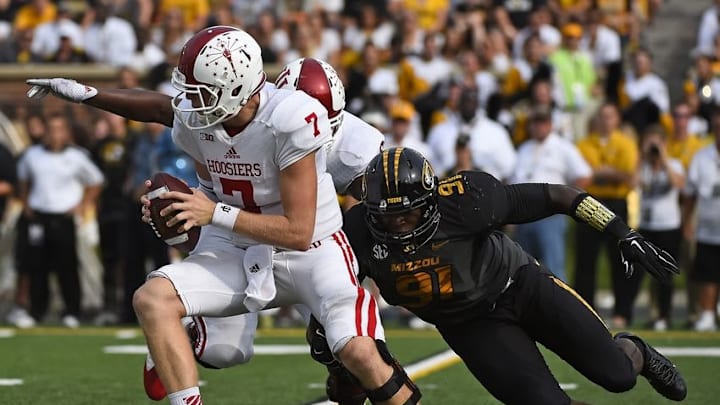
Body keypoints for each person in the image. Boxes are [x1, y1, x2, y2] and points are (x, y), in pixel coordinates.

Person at [26, 27, 418, 405]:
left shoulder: (291, 121)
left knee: (361, 356)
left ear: (234, 89)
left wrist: (211, 211)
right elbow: (162, 107)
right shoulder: (203, 117)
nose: (191, 103)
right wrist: (87, 95)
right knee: (163, 307)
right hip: (236, 245)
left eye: (201, 93)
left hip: (312, 254)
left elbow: (298, 231)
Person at [313, 147, 687, 405]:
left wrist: (622, 232)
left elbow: (560, 196)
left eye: (406, 214)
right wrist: (328, 341)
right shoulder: (357, 231)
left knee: (618, 375)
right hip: (469, 326)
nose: (396, 225)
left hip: (520, 285)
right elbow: (332, 289)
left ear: (429, 202)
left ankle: (637, 349)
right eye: (385, 215)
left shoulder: (465, 200)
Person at [142, 56, 389, 404]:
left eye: (324, 120)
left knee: (351, 347)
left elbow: (369, 216)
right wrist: (187, 214)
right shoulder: (258, 126)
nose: (314, 127)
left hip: (312, 247)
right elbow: (171, 119)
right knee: (224, 352)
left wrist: (361, 268)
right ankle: (188, 329)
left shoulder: (355, 148)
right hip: (245, 241)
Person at [15, 112, 104, 327]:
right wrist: (26, 204)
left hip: (64, 217)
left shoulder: (77, 156)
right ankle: (36, 312)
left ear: (66, 132)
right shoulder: (32, 155)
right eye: (51, 129)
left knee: (67, 266)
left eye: (59, 129)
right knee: (37, 267)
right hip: (39, 217)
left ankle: (72, 311)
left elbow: (96, 181)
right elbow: (24, 180)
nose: (55, 134)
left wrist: (82, 206)